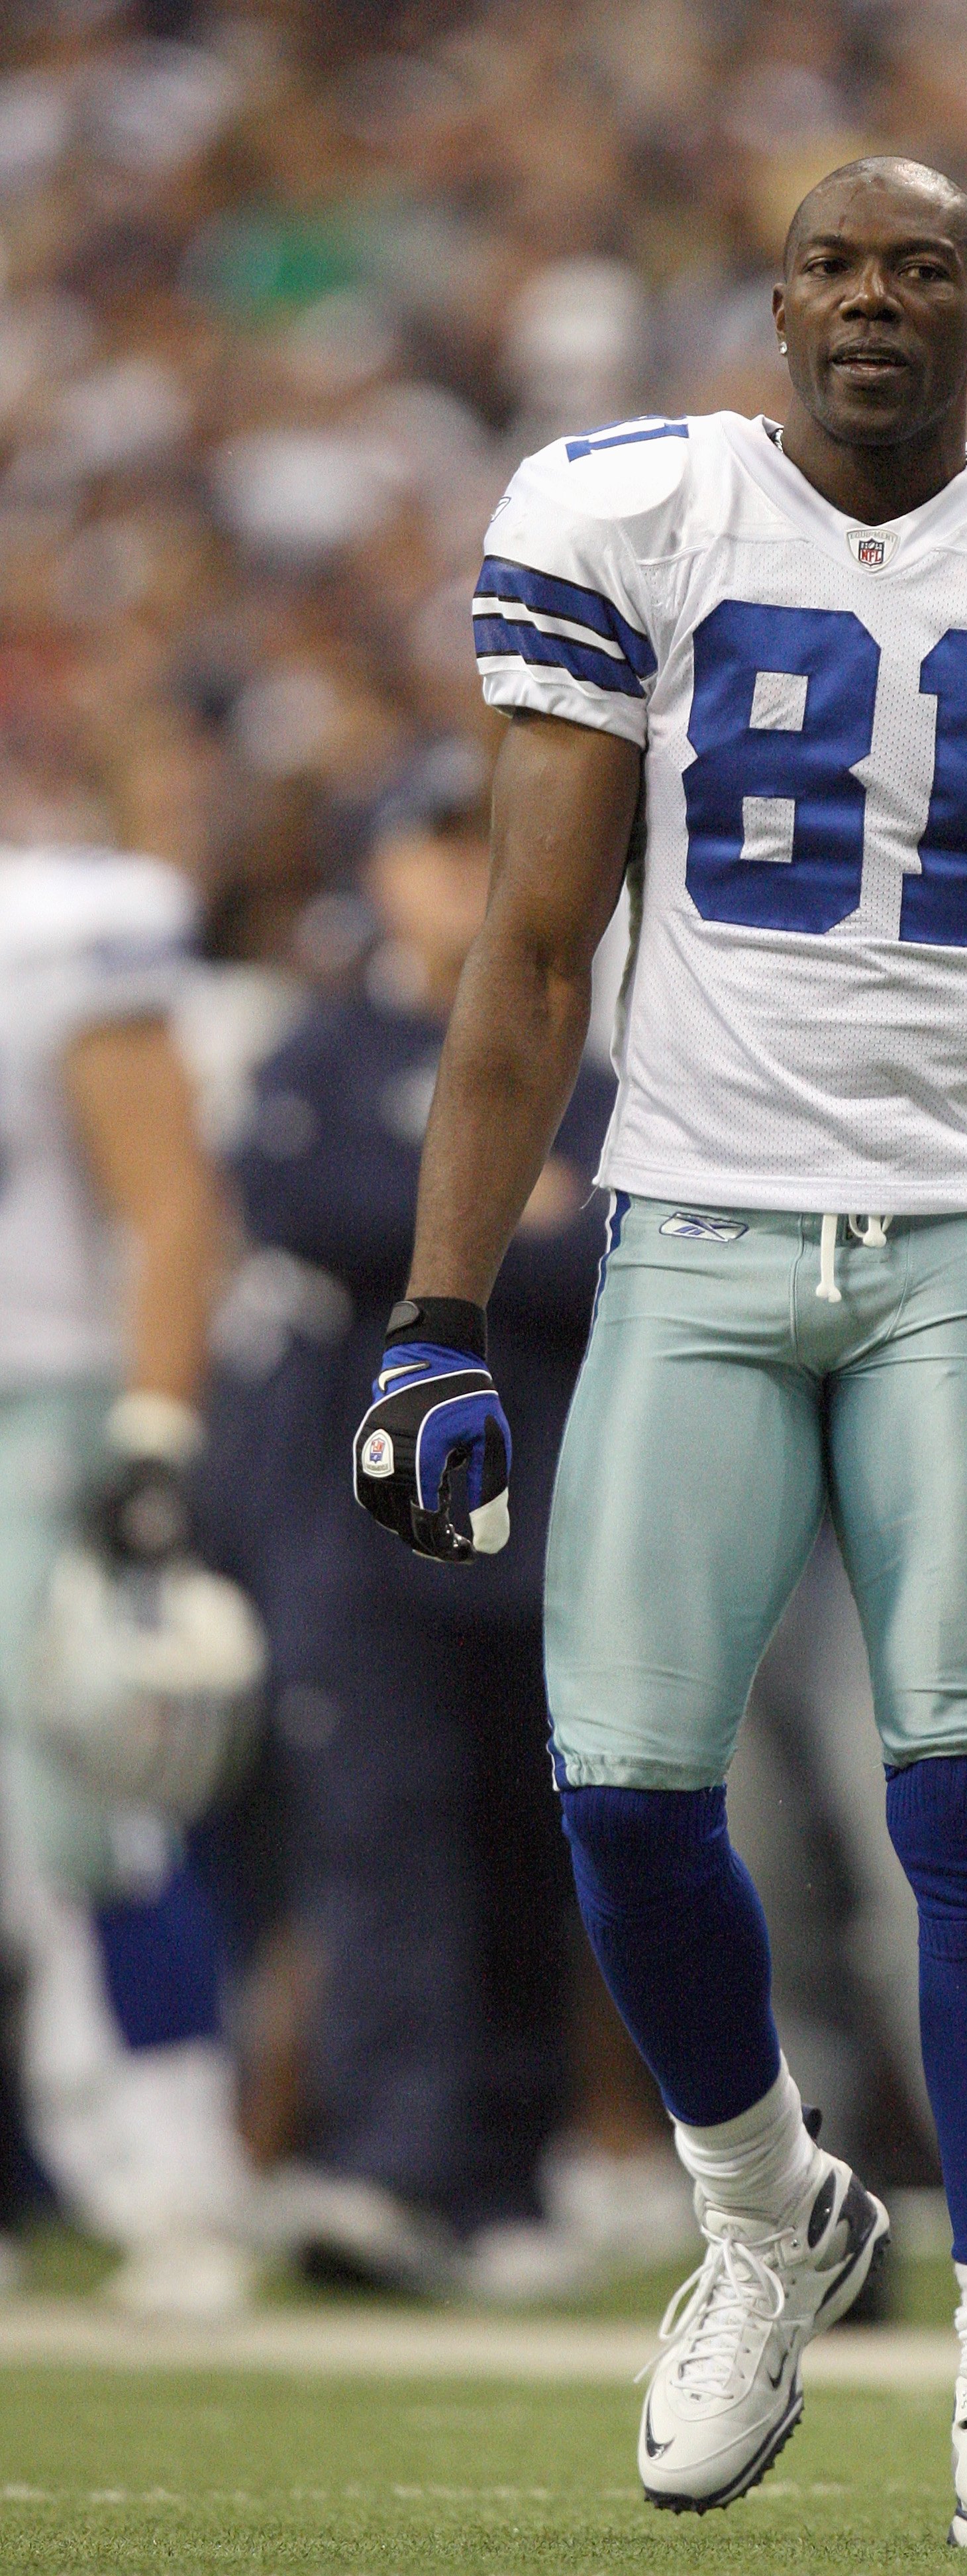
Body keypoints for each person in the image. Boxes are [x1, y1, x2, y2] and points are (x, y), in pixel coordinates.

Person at [354, 158, 967, 2551]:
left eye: (923, 276)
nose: (876, 302)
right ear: (776, 307)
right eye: (837, 268)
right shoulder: (633, 513)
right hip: (685, 1234)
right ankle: (768, 2208)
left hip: (966, 1245)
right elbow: (530, 958)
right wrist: (434, 1309)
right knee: (626, 1793)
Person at [232, 747, 648, 2292]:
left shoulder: (603, 1076)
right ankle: (392, 2167)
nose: (452, 874)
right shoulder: (328, 1048)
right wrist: (488, 1211)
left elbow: (618, 1264)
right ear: (381, 870)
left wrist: (438, 1228)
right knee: (382, 1847)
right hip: (360, 1526)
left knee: (533, 1856)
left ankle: (500, 2180)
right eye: (427, 847)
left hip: (550, 1524)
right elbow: (293, 1210)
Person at [0, 840, 256, 2316]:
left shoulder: (65, 931)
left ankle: (179, 2186)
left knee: (93, 1801)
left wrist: (152, 1437)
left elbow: (174, 1202)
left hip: (45, 1410)